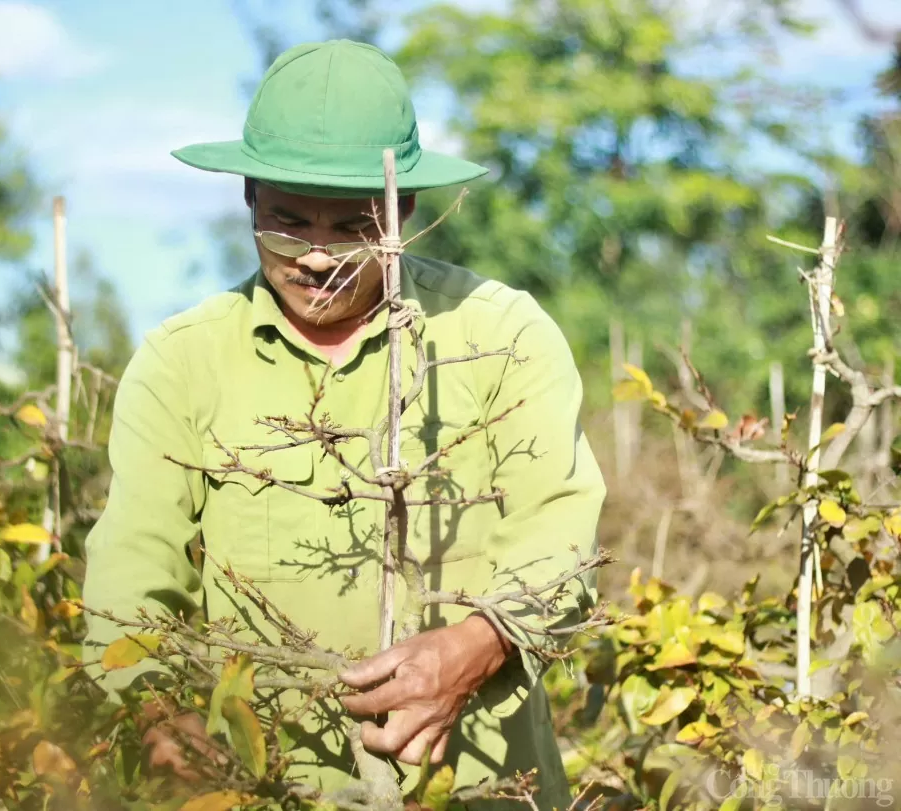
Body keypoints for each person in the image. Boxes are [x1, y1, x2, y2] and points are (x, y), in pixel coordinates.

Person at [83, 39, 606, 809]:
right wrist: (155, 713)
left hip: (483, 790)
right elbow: (133, 575)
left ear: (407, 213)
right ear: (249, 200)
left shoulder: (501, 336)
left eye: (353, 227)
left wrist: (477, 643)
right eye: (290, 224)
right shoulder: (181, 362)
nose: (319, 257)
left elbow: (561, 530)